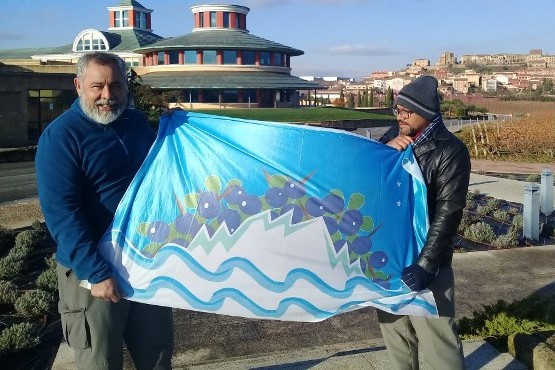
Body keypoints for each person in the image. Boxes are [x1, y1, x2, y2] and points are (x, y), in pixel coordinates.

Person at [35, 52, 174, 369]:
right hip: (92, 273)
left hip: (144, 261)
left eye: (116, 86)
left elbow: (161, 172)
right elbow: (62, 214)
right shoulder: (61, 137)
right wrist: (96, 272)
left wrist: (179, 128)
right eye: (97, 86)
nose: (108, 96)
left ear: (126, 87)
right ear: (79, 85)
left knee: (158, 355)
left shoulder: (135, 123)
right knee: (100, 362)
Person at [377, 75, 471, 369]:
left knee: (438, 342)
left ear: (427, 113)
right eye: (397, 109)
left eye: (406, 111)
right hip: (390, 257)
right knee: (396, 336)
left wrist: (426, 265)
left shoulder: (451, 151)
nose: (400, 116)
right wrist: (385, 154)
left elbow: (449, 211)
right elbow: (373, 182)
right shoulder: (392, 137)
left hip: (428, 261)